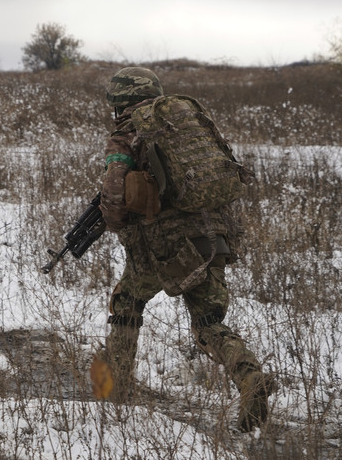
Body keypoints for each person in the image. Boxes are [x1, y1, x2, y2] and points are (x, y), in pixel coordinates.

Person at [95, 66, 276, 432]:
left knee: (127, 301)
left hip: (167, 247)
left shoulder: (126, 134)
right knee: (209, 321)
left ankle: (116, 392)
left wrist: (116, 220)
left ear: (119, 103)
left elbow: (114, 197)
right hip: (216, 234)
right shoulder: (183, 122)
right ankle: (248, 376)